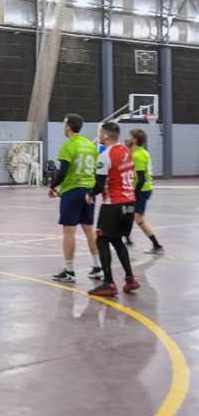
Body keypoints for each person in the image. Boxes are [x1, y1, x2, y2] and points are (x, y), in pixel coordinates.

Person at [86, 123, 141, 296]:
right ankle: (130, 279)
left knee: (101, 240)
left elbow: (99, 184)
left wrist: (90, 194)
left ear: (106, 136)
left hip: (113, 204)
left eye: (101, 133)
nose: (99, 136)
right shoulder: (126, 151)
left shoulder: (105, 155)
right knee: (117, 240)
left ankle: (109, 283)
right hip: (130, 203)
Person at [48, 113, 102, 283]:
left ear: (69, 127)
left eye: (65, 125)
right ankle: (97, 266)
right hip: (89, 191)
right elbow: (95, 170)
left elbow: (63, 173)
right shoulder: (91, 146)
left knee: (69, 231)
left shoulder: (68, 146)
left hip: (72, 192)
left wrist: (52, 186)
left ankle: (69, 271)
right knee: (89, 230)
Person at [126, 129, 164, 254]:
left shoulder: (138, 156)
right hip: (143, 189)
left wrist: (133, 195)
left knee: (138, 219)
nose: (128, 138)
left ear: (135, 139)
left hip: (142, 190)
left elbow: (141, 179)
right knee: (127, 212)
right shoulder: (140, 152)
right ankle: (127, 238)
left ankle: (157, 245)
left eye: (130, 136)